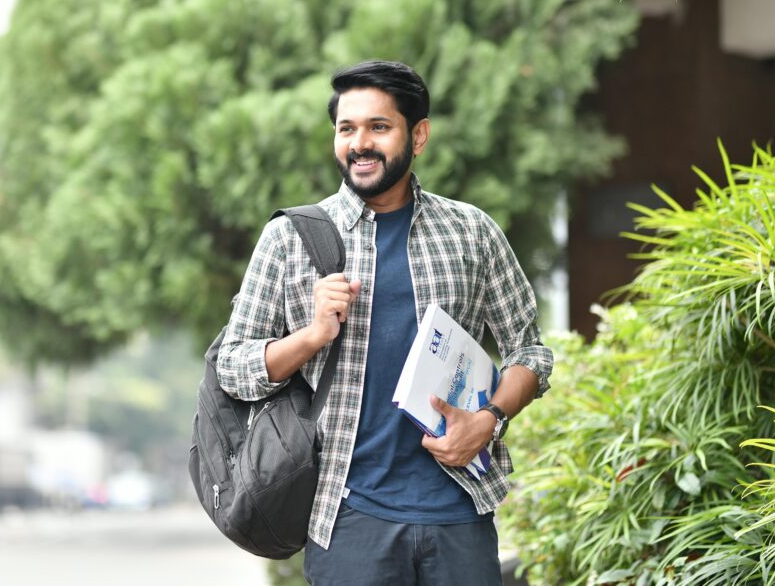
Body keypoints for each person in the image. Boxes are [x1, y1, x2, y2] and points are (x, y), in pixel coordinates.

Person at [217, 60, 554, 585]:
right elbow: (232, 368)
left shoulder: (472, 232)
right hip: (350, 519)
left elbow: (530, 353)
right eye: (346, 129)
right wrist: (310, 337)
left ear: (418, 135)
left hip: (460, 515)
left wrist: (488, 419)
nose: (360, 143)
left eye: (379, 127)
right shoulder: (290, 239)